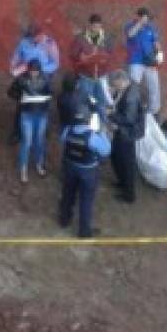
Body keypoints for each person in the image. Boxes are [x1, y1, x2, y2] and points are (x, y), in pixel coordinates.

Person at [58, 101, 111, 239]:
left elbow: (62, 140)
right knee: (86, 200)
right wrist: (103, 133)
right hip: (88, 172)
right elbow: (105, 151)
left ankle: (64, 220)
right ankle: (84, 231)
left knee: (67, 195)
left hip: (70, 168)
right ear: (88, 118)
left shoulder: (67, 131)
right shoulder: (92, 137)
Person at [8, 58, 53, 183]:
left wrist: (45, 99)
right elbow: (10, 92)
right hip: (27, 114)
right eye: (32, 71)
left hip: (41, 114)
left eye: (36, 71)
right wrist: (21, 97)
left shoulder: (45, 79)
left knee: (39, 141)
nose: (34, 73)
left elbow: (50, 93)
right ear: (28, 69)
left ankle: (39, 164)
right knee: (26, 142)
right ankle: (23, 168)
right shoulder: (21, 79)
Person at [107, 69, 145, 204]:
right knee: (116, 157)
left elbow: (129, 118)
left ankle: (129, 195)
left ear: (122, 81)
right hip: (122, 131)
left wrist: (111, 114)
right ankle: (122, 183)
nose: (114, 87)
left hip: (127, 133)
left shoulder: (131, 97)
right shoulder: (126, 89)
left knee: (126, 163)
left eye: (115, 84)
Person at [69, 14, 114, 113]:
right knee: (84, 102)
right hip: (86, 76)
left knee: (102, 103)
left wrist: (104, 57)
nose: (96, 29)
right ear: (89, 25)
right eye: (94, 27)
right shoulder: (80, 38)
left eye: (99, 27)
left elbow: (110, 52)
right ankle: (87, 126)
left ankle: (102, 127)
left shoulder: (106, 38)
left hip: (101, 75)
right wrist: (81, 56)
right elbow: (73, 54)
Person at [124, 7, 162, 117]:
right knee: (134, 86)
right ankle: (132, 110)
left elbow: (156, 42)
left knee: (154, 86)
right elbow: (130, 34)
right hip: (136, 61)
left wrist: (160, 55)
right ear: (138, 16)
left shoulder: (151, 27)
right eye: (144, 18)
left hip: (149, 61)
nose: (146, 20)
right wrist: (139, 24)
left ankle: (154, 111)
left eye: (147, 18)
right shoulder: (130, 25)